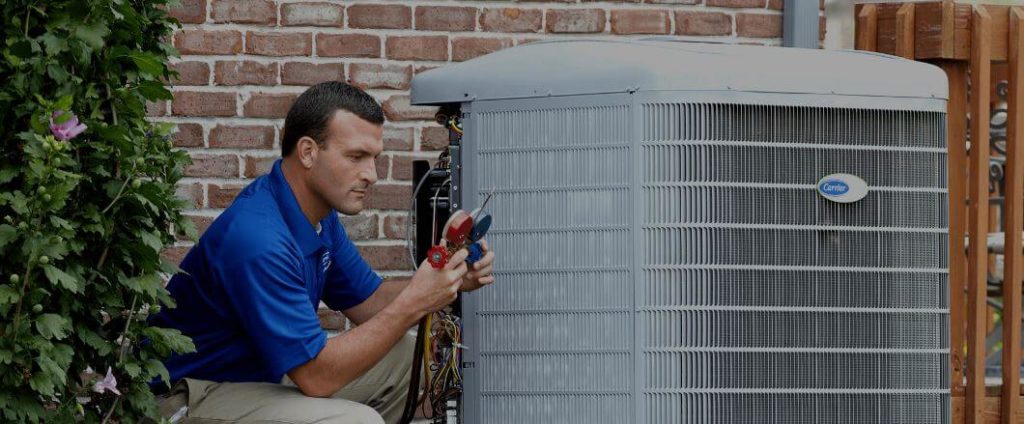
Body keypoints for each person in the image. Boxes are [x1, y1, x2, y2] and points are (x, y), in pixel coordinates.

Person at [149, 81, 495, 424]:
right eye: (356, 157)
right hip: (187, 397)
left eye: (374, 158)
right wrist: (416, 301)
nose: (372, 175)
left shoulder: (317, 216)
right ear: (308, 152)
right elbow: (317, 377)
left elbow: (370, 303)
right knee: (350, 421)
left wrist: (449, 281)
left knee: (410, 358)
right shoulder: (259, 239)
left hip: (255, 381)